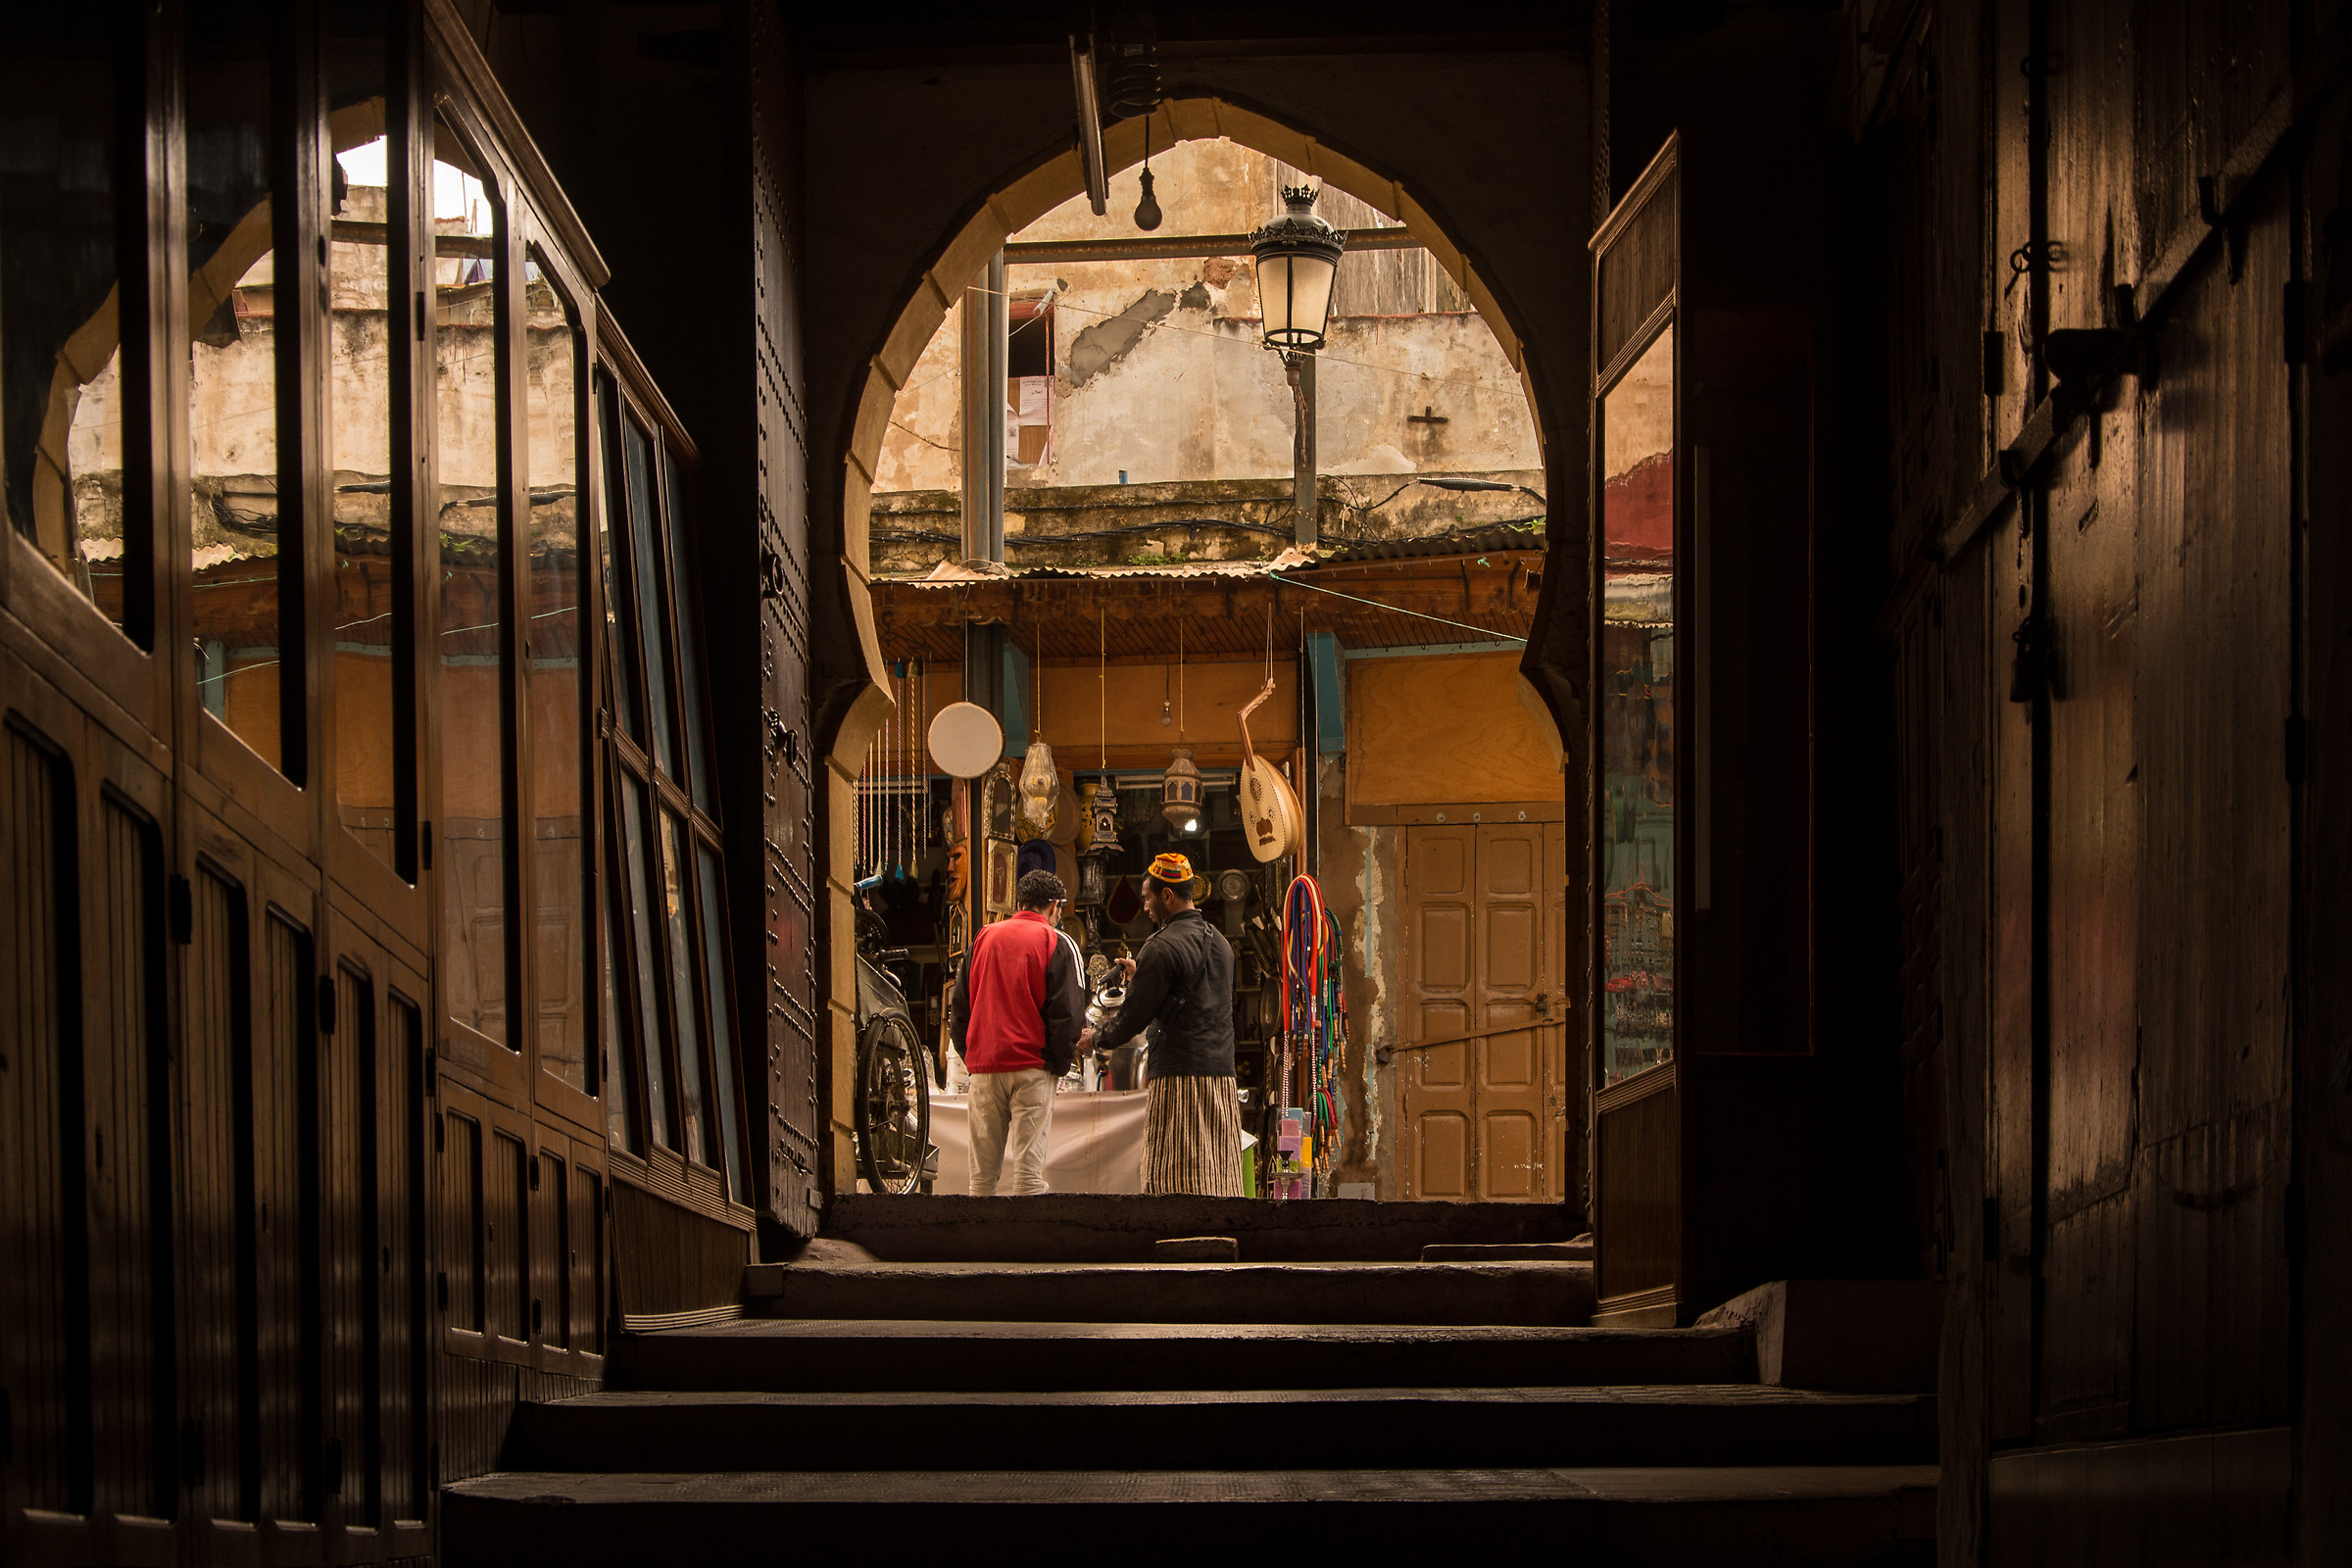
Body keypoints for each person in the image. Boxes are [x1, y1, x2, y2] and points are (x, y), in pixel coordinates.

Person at [1082, 853, 1244, 1196]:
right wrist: (1145, 977)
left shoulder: (1159, 947)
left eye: (1148, 897)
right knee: (1216, 1173)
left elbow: (1132, 1018)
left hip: (1178, 1077)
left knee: (1174, 1174)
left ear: (1167, 896)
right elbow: (1199, 999)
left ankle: (1177, 1239)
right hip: (1222, 1075)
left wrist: (1096, 1038)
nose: (1145, 907)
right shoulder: (1221, 944)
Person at [949, 869, 1086, 1196]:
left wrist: (973, 1057)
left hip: (985, 1069)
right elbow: (1067, 1015)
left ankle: (981, 1245)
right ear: (1054, 906)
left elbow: (959, 1008)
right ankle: (1027, 1245)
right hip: (1031, 1068)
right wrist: (1057, 1064)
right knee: (1029, 1176)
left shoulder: (983, 938)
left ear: (1019, 903)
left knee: (981, 1179)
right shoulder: (1055, 941)